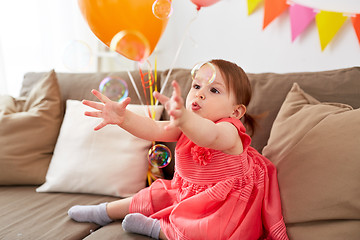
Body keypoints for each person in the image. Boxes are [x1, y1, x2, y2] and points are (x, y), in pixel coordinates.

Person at [68, 59, 288, 240]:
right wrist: (124, 118)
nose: (200, 94)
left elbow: (210, 136)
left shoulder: (229, 132)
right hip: (185, 190)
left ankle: (158, 229)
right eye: (196, 86)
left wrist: (185, 119)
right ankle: (103, 211)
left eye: (213, 90)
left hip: (221, 204)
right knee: (151, 195)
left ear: (236, 111)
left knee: (210, 231)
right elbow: (153, 128)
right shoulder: (186, 123)